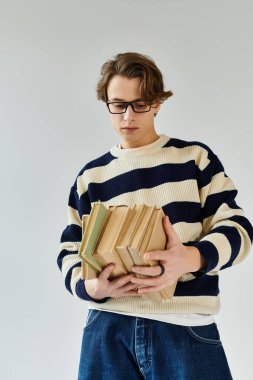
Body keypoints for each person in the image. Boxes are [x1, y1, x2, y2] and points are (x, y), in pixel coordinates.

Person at [57, 52, 253, 380]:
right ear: (106, 104)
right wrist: (91, 287)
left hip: (184, 328)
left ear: (158, 103)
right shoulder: (91, 177)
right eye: (118, 104)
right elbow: (69, 251)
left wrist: (188, 259)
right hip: (107, 330)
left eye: (140, 104)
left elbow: (240, 230)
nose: (128, 116)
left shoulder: (194, 160)